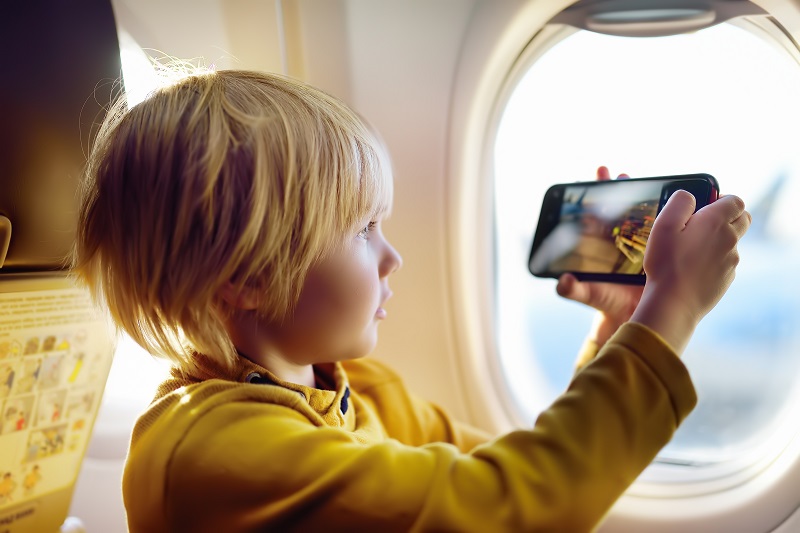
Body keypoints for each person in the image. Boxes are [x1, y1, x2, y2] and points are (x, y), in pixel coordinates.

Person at [71, 69, 750, 532]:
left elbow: (526, 474)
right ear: (246, 277)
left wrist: (618, 325)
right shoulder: (213, 456)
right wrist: (671, 311)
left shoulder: (357, 389)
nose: (393, 256)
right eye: (364, 229)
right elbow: (510, 509)